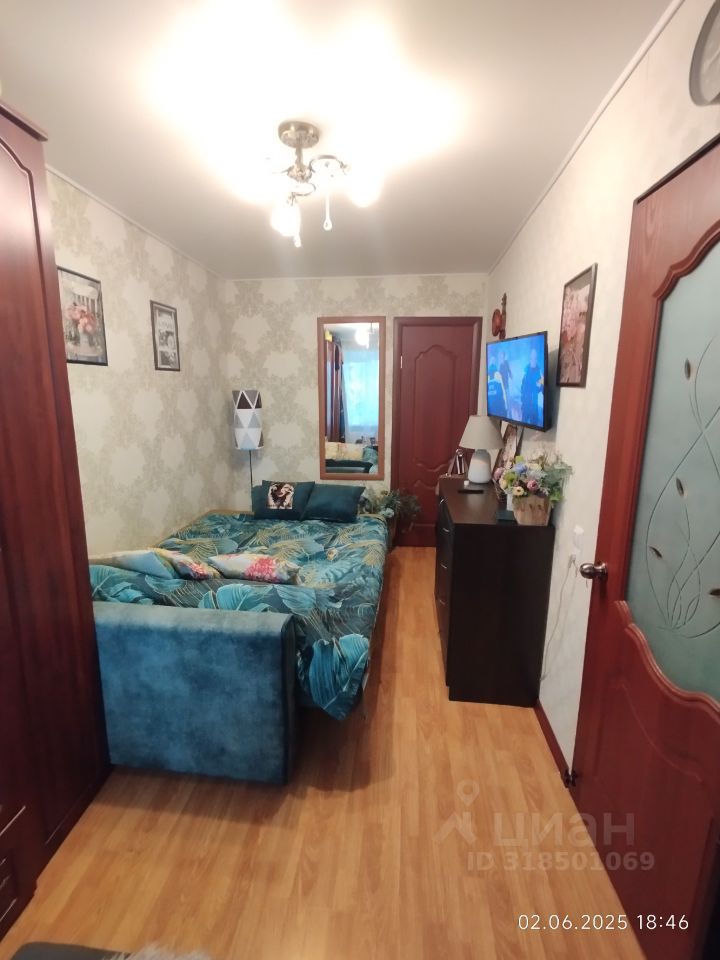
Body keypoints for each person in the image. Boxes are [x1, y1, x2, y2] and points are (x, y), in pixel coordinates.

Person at [520, 348, 544, 426]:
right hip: (525, 406)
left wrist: (540, 386)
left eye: (535, 357)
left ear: (536, 359)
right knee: (522, 426)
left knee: (535, 426)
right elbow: (522, 388)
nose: (533, 359)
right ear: (530, 358)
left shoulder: (540, 372)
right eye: (532, 357)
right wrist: (522, 402)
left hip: (534, 407)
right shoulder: (525, 370)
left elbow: (543, 390)